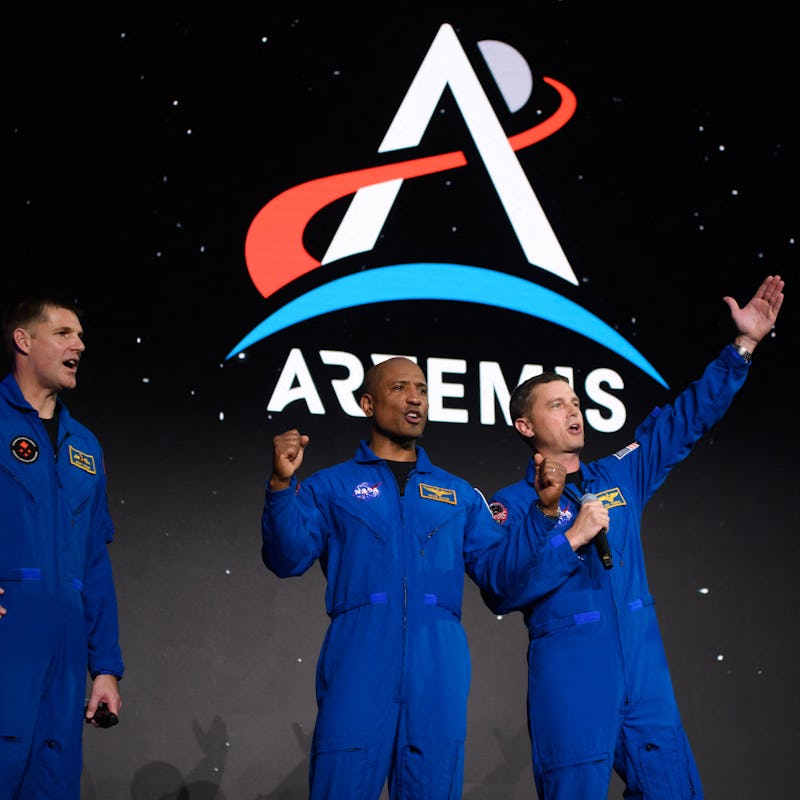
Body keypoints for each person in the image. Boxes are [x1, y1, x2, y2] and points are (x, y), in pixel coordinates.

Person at [483, 274, 785, 799]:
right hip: (573, 671)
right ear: (525, 426)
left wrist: (744, 346)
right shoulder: (509, 504)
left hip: (643, 671)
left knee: (672, 789)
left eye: (574, 401)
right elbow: (502, 589)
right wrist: (569, 537)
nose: (573, 410)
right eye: (556, 404)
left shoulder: (619, 474)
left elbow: (684, 419)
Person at [262, 356, 545, 800]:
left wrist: (543, 516)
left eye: (422, 388)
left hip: (439, 661)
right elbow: (287, 557)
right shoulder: (329, 486)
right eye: (399, 388)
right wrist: (281, 485)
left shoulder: (457, 494)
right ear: (367, 404)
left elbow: (502, 581)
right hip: (359, 653)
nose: (415, 397)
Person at [0, 296, 124, 799]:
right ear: (24, 341)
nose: (80, 344)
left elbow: (94, 564)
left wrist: (107, 669)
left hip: (68, 647)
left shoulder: (85, 448)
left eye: (80, 335)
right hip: (11, 636)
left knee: (53, 778)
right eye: (64, 333)